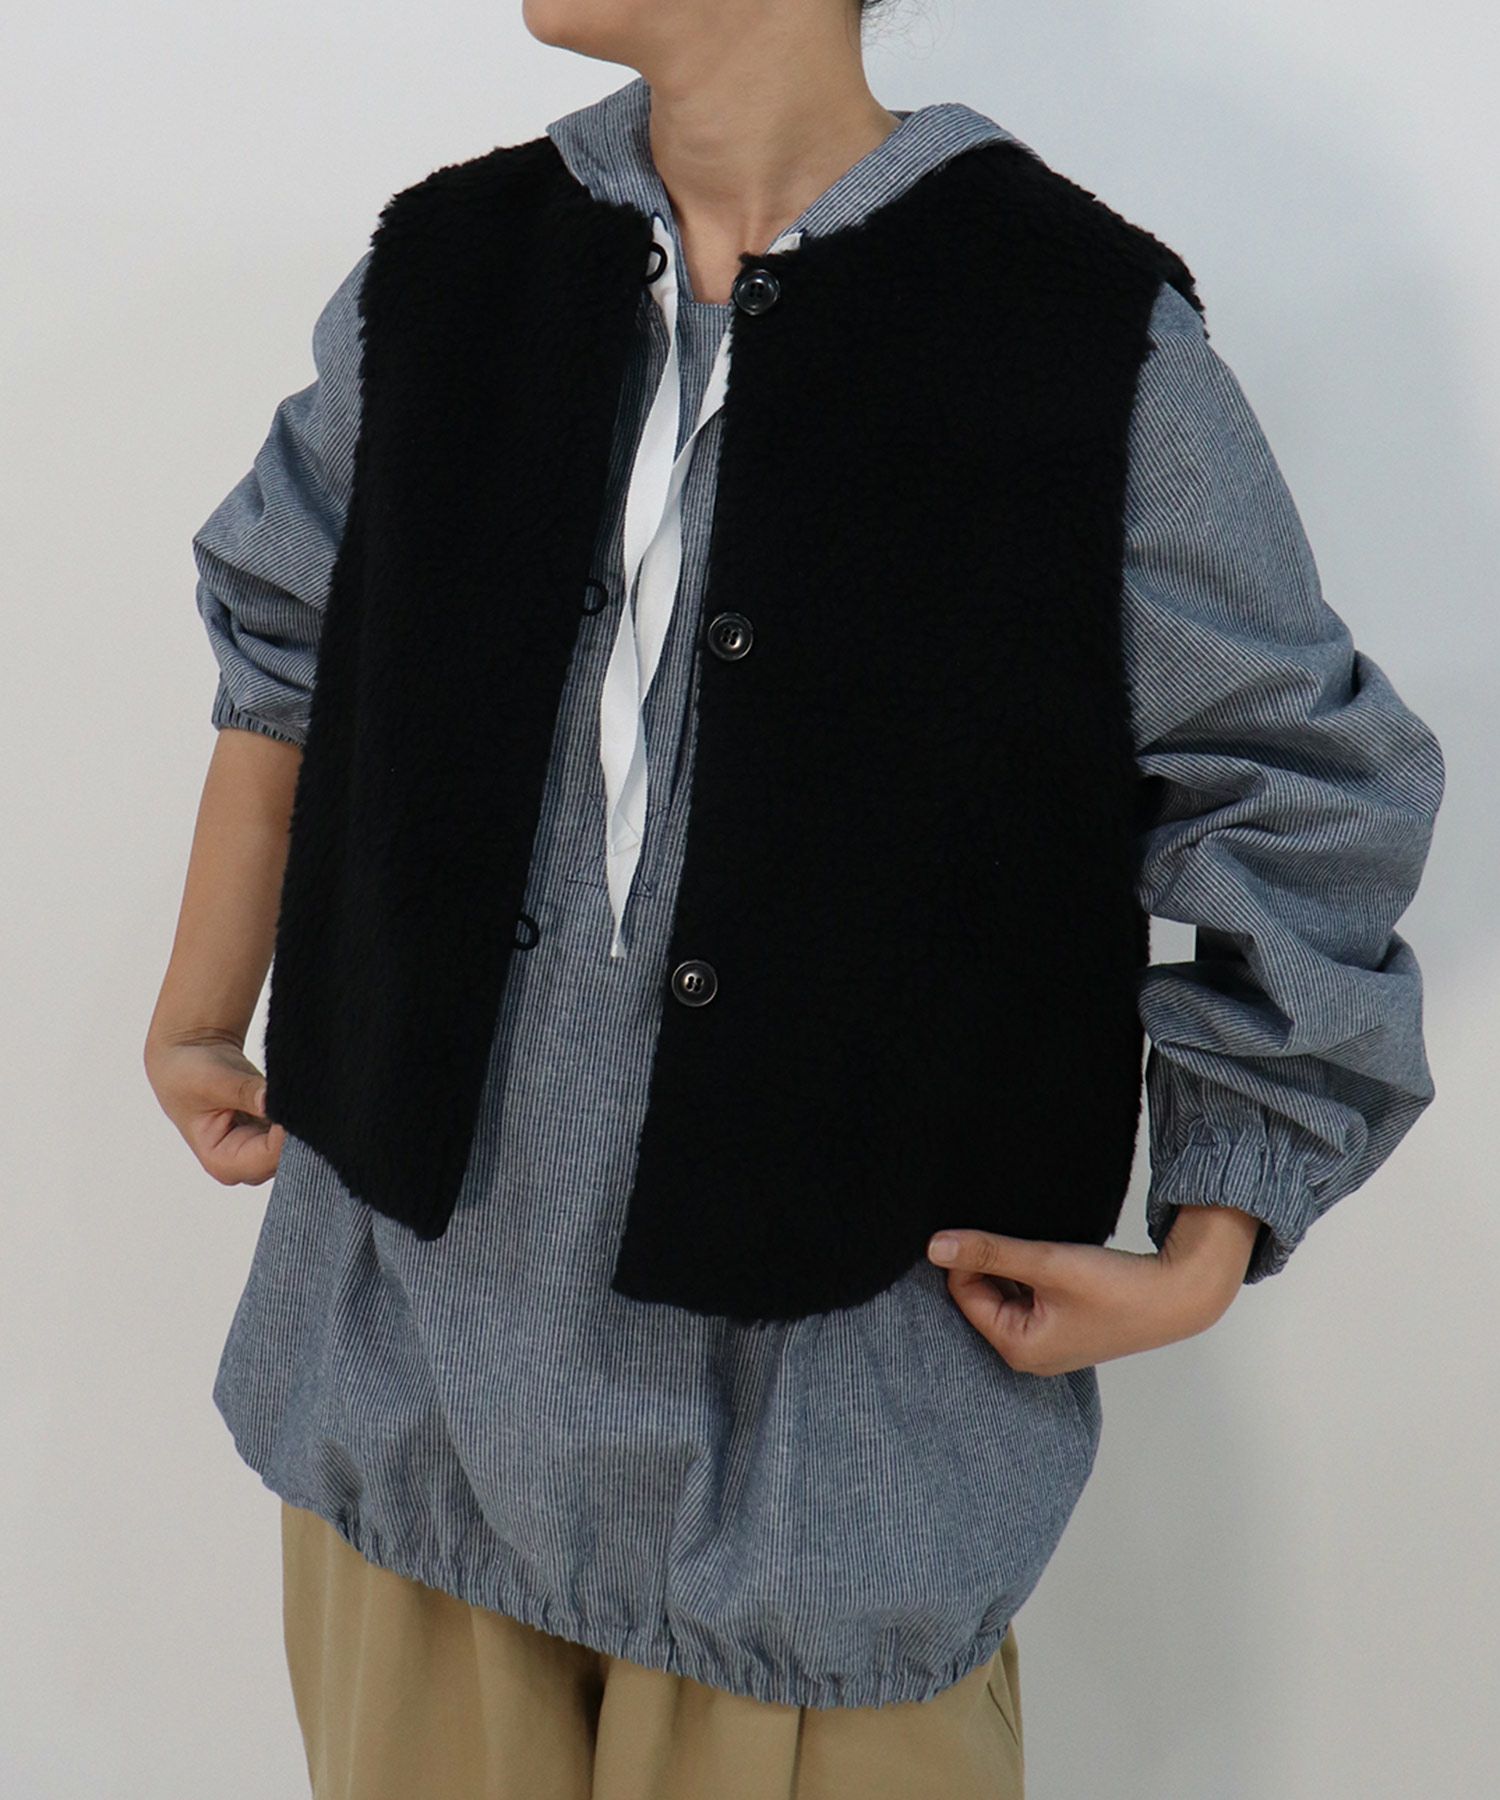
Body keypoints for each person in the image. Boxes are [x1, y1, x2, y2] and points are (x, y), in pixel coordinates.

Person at [143, 2, 1446, 1796]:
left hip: (824, 1480)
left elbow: (1301, 785)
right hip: (415, 1404)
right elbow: (286, 637)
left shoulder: (1075, 333)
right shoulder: (446, 270)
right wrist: (201, 1009)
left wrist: (1215, 1231)